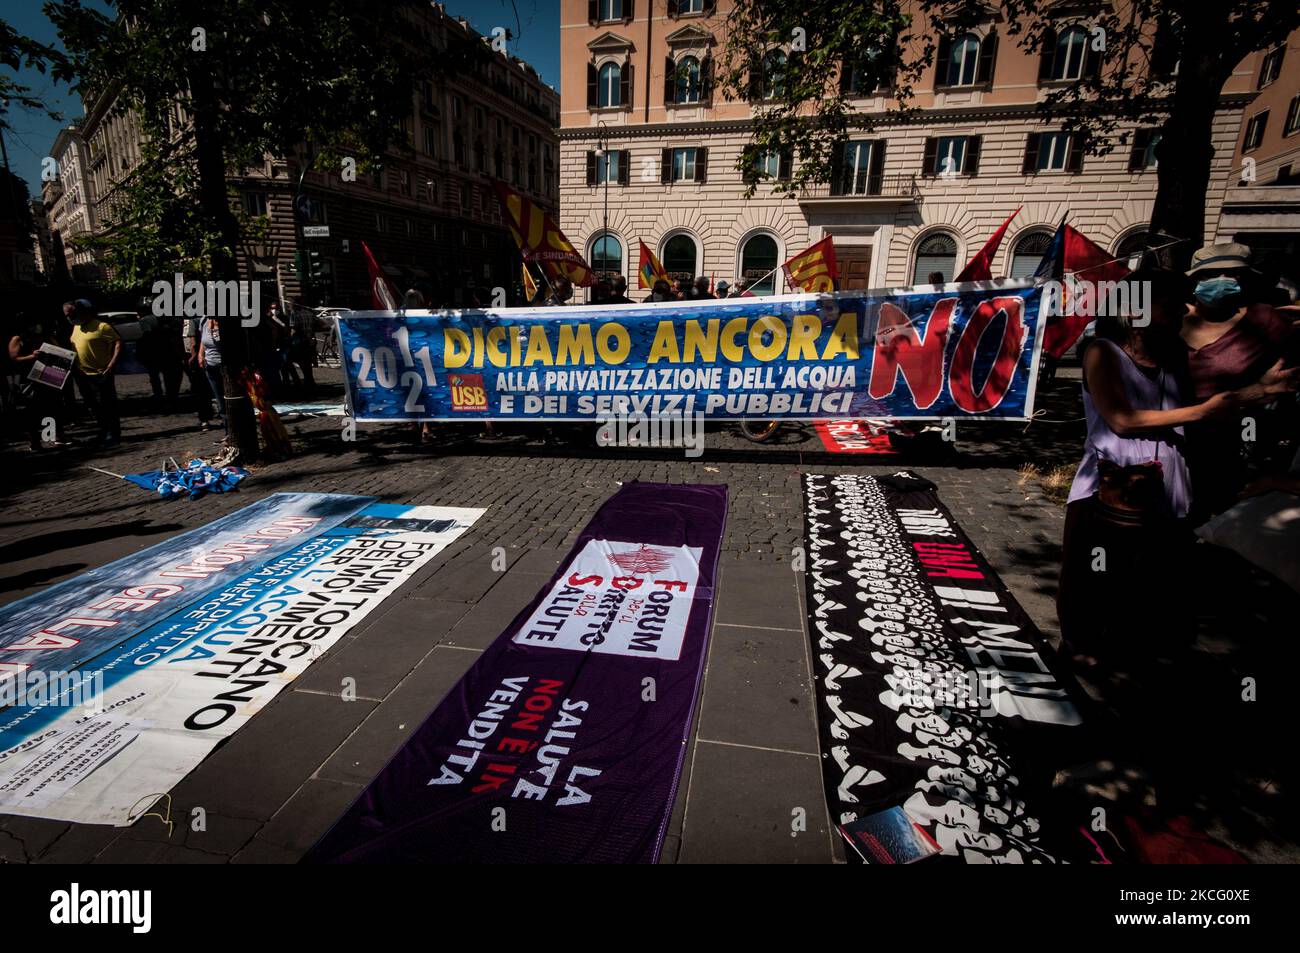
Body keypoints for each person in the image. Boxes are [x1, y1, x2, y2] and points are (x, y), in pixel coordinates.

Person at [1056, 268, 1298, 663]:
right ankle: (1079, 646)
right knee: (1091, 572)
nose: (1178, 313)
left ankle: (1131, 644)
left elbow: (1211, 405)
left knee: (1146, 575)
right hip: (1111, 481)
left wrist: (1262, 391)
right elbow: (1122, 419)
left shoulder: (1172, 357)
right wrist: (1202, 412)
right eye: (1167, 305)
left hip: (1169, 483)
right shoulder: (1102, 351)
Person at [1180, 242, 1297, 519]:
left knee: (1214, 523)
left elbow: (1289, 379)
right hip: (1169, 438)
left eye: (1233, 274)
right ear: (1195, 279)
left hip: (1231, 447)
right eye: (1212, 274)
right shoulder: (1171, 318)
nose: (1222, 281)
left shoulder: (1264, 320)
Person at [69, 300, 123, 447]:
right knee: (94, 405)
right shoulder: (76, 327)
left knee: (107, 405)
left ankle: (113, 434)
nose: (71, 317)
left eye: (74, 313)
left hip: (101, 373)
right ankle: (103, 431)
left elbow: (118, 343)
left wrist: (111, 365)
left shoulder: (102, 326)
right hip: (83, 375)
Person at [8, 316, 66, 450]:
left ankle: (53, 437)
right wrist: (32, 357)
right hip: (29, 378)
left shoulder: (45, 336)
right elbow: (14, 358)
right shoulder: (18, 339)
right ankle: (34, 441)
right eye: (33, 325)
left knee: (52, 406)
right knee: (33, 410)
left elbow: (60, 350)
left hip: (48, 375)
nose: (36, 327)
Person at [196, 315, 227, 430]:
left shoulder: (226, 321)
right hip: (210, 366)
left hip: (226, 366)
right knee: (220, 401)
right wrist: (200, 354)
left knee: (229, 400)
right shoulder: (204, 320)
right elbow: (203, 340)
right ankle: (228, 431)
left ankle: (235, 431)